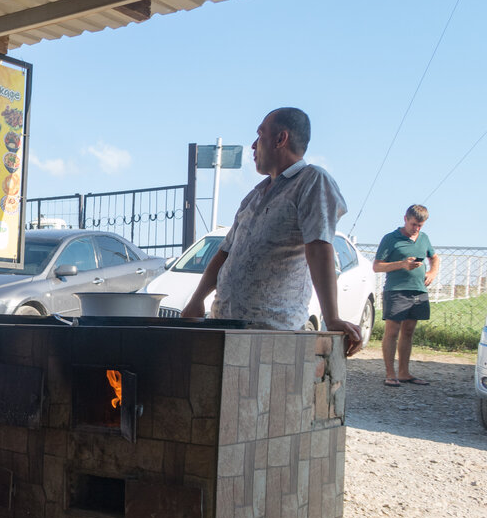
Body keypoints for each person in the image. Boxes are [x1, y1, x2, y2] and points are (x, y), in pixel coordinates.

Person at [183, 107, 362, 357]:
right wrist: (195, 300)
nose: (253, 145)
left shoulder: (311, 180)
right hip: (224, 331)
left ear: (281, 139)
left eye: (260, 135)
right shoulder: (253, 196)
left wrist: (332, 318)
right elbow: (225, 253)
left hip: (272, 336)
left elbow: (319, 246)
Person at [373, 204, 438, 387]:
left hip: (418, 290)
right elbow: (377, 266)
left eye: (420, 225)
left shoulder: (424, 238)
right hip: (396, 290)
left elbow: (434, 257)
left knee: (408, 331)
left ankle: (404, 373)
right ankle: (390, 373)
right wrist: (402, 264)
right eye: (413, 224)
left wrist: (432, 272)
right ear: (405, 219)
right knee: (392, 331)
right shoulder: (390, 239)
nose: (416, 229)